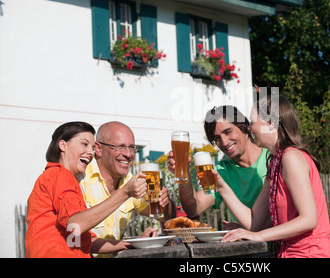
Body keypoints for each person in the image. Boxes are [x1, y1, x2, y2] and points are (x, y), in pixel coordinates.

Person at [219, 95, 330, 258]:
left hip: (310, 253)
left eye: (253, 122)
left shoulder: (291, 157)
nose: (250, 128)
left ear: (271, 123)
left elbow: (309, 219)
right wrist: (221, 187)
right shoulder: (275, 162)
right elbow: (254, 221)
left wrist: (259, 236)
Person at [25, 121, 147, 258]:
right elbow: (76, 224)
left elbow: (87, 241)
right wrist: (124, 193)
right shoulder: (61, 175)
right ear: (63, 145)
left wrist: (133, 244)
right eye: (84, 144)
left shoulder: (56, 177)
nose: (90, 152)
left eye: (92, 147)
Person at [77, 121, 176, 252]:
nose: (128, 154)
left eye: (132, 147)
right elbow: (74, 236)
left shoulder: (130, 181)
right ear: (98, 149)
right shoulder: (79, 178)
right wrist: (132, 244)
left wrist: (166, 203)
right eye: (120, 147)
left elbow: (166, 216)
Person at [167, 106, 271, 229]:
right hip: (250, 247)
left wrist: (247, 229)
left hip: (283, 246)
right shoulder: (222, 172)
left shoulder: (272, 158)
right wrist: (185, 173)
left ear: (245, 127)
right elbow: (194, 208)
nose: (224, 142)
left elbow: (291, 216)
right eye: (217, 138)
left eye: (228, 132)